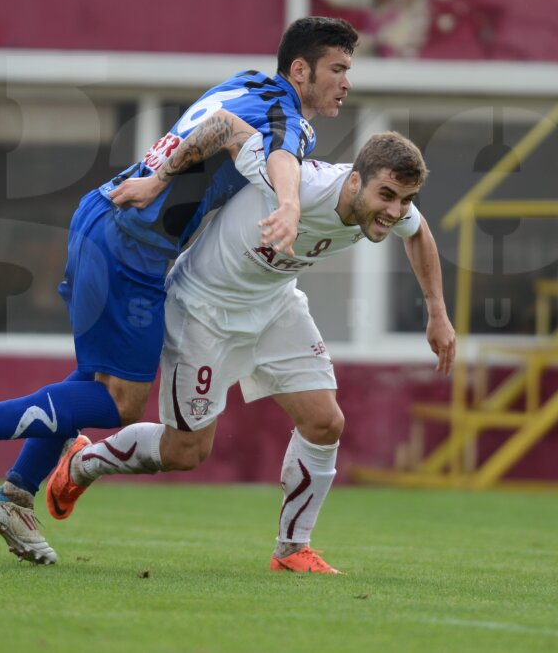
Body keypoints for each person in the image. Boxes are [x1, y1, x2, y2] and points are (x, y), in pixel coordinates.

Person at [0, 17, 360, 565]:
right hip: (134, 246)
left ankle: (14, 496)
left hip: (103, 215)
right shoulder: (283, 116)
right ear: (301, 70)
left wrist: (161, 174)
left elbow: (218, 121)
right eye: (337, 69)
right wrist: (278, 203)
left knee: (90, 380)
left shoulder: (249, 81)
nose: (346, 82)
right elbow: (225, 129)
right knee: (121, 401)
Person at [44, 127, 456, 574]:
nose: (395, 211)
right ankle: (83, 462)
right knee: (186, 452)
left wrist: (436, 311)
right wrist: (166, 179)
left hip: (274, 306)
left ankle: (292, 548)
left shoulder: (389, 213)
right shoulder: (308, 186)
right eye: (387, 195)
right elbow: (243, 140)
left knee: (325, 422)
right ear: (355, 182)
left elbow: (419, 233)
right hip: (204, 310)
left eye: (405, 199)